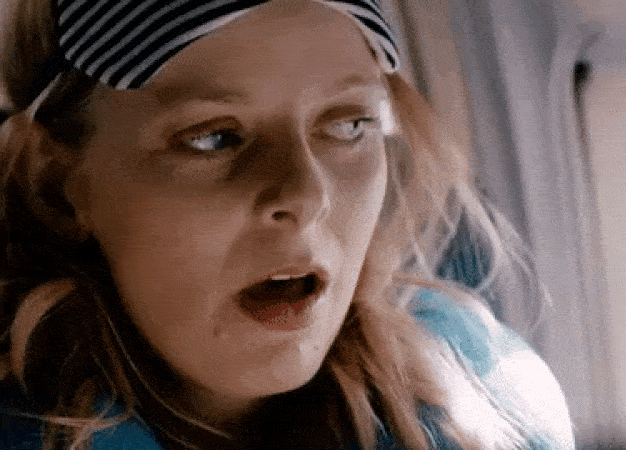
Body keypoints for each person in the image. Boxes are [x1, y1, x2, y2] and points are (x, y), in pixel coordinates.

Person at [0, 0, 575, 448]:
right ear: (53, 182)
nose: (307, 194)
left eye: (348, 125)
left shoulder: (490, 412)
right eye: (214, 137)